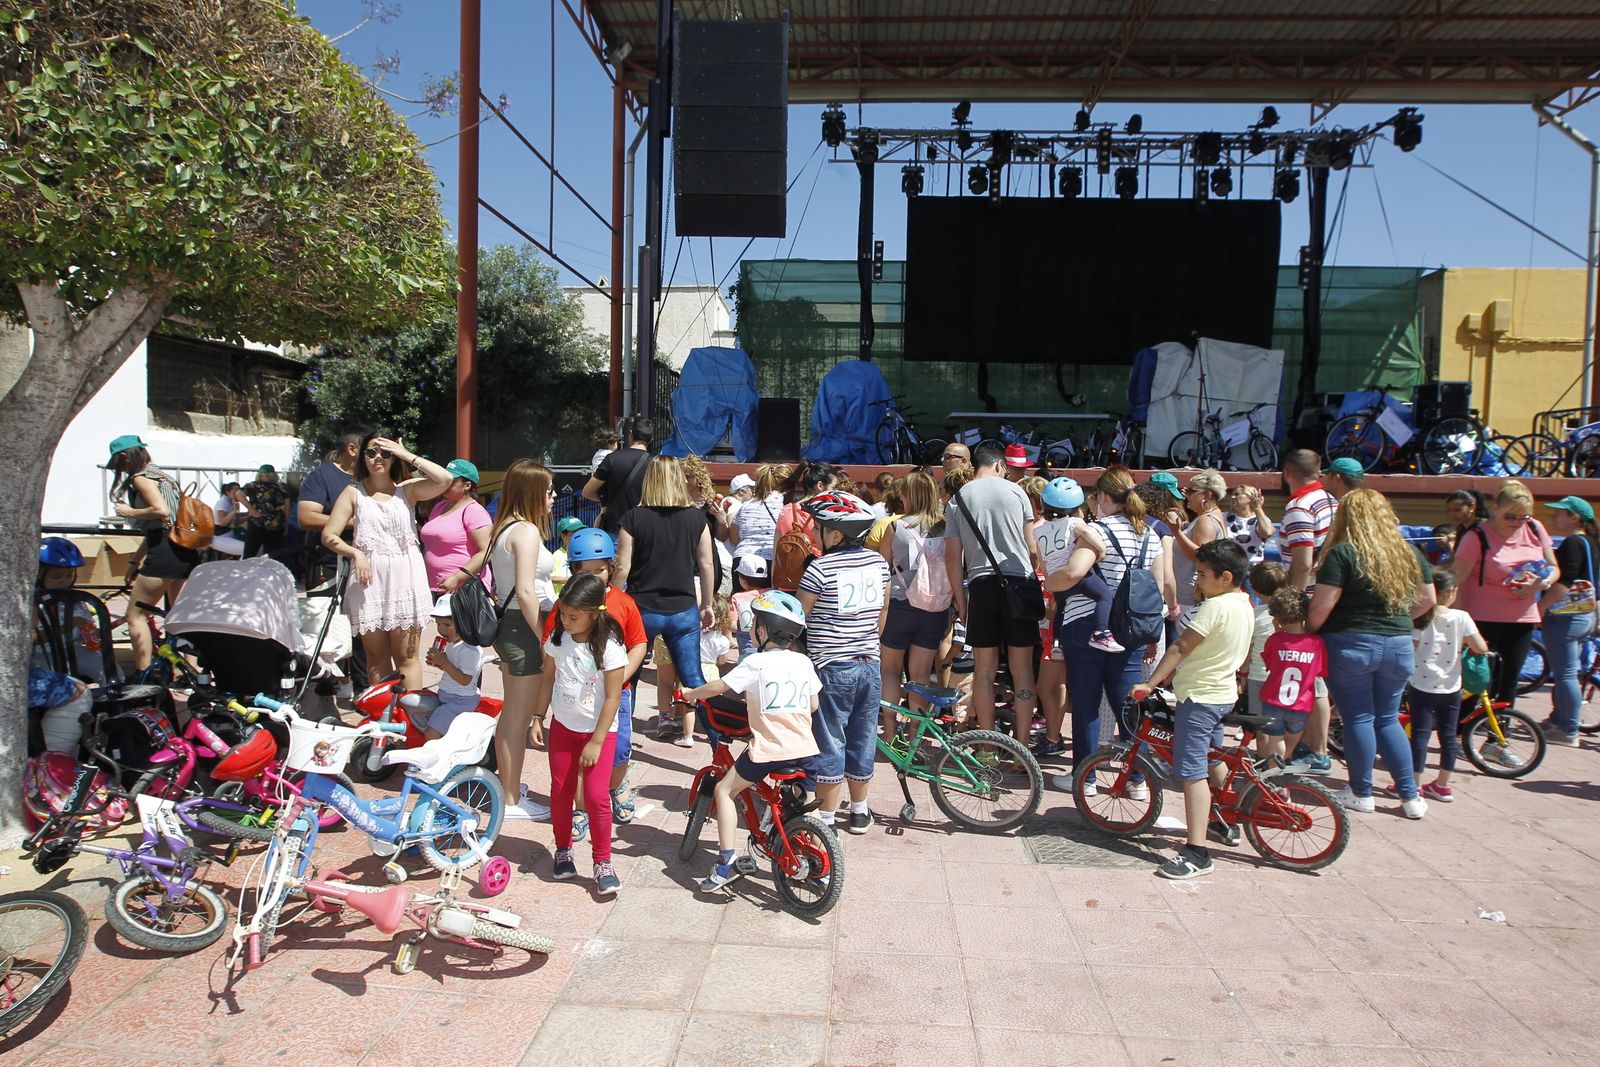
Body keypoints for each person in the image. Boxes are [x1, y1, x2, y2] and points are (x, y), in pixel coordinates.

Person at [1307, 488, 1436, 819]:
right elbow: (1428, 599)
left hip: (1350, 643)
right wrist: (1400, 618)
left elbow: (1323, 605)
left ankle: (1361, 791)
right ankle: (1411, 796)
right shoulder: (1409, 552)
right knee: (1388, 719)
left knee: (1358, 718)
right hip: (1398, 644)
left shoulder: (1342, 553)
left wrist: (1309, 630)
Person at [1130, 539, 1255, 880]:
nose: (1196, 580)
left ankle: (1197, 852)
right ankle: (1222, 819)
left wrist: (1150, 684)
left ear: (1225, 577)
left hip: (1200, 698)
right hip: (1222, 693)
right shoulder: (1244, 603)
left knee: (1192, 773)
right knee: (1212, 757)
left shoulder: (1215, 607)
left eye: (1201, 574)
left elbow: (1180, 647)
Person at [683, 591, 821, 891]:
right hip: (806, 749)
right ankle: (818, 855)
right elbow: (812, 705)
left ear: (763, 629)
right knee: (806, 802)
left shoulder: (756, 663)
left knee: (724, 790)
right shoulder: (803, 662)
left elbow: (720, 687)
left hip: (769, 750)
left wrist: (690, 693)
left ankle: (726, 863)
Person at [1048, 466, 1165, 793]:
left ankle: (1085, 778)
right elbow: (1158, 586)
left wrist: (1049, 581)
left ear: (1102, 496)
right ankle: (1137, 780)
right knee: (1127, 705)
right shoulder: (1150, 534)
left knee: (1086, 703)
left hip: (1088, 624)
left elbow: (1074, 571)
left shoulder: (1097, 529)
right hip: (1132, 627)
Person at [456, 459, 556, 821]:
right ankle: (511, 799)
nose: (553, 496)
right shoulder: (525, 531)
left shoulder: (505, 527)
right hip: (524, 626)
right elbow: (526, 592)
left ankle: (508, 789)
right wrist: (544, 638)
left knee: (512, 715)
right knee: (516, 717)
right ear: (532, 492)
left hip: (511, 625)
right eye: (548, 490)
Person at [321, 432, 452, 691]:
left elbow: (445, 479)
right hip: (369, 582)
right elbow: (329, 535)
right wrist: (356, 554)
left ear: (393, 458)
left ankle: (409, 713)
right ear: (363, 457)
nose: (378, 457)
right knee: (377, 658)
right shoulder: (353, 492)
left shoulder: (408, 490)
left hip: (405, 579)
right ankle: (383, 712)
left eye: (385, 453)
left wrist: (406, 454)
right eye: (371, 452)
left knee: (407, 659)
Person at [540, 528, 649, 828]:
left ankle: (615, 786)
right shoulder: (566, 604)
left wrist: (621, 674)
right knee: (579, 755)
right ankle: (582, 807)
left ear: (610, 568)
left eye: (599, 570)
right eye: (584, 571)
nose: (594, 577)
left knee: (620, 749)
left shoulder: (624, 603)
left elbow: (639, 643)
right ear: (573, 571)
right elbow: (550, 644)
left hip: (616, 693)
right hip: (577, 696)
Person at [797, 492, 888, 834]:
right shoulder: (878, 564)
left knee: (829, 739)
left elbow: (799, 617)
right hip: (869, 663)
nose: (813, 532)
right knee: (863, 736)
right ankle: (860, 811)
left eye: (818, 527)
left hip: (830, 666)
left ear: (835, 535)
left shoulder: (819, 568)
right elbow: (882, 613)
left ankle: (825, 818)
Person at [944, 441, 1044, 744]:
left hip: (981, 586)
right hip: (1020, 584)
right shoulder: (1017, 492)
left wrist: (960, 600)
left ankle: (987, 745)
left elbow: (953, 557)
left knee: (984, 671)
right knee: (1022, 670)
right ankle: (1022, 747)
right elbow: (1031, 549)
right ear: (1000, 465)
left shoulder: (958, 499)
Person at [615, 455, 718, 744]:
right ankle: (718, 747)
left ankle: (621, 747)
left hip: (641, 609)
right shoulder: (696, 518)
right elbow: (706, 564)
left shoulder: (633, 518)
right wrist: (707, 605)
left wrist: (613, 601)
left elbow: (622, 567)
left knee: (627, 679)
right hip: (683, 609)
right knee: (694, 680)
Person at [543, 573, 628, 897]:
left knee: (595, 797)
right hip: (563, 727)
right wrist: (537, 717)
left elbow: (613, 697)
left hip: (598, 734)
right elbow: (548, 678)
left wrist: (596, 741)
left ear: (594, 614)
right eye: (563, 614)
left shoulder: (610, 647)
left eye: (573, 616)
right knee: (560, 790)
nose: (565, 621)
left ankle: (603, 862)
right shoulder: (558, 638)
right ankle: (563, 851)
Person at [1451, 480, 1558, 711]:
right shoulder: (1476, 536)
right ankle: (1460, 727)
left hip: (1522, 617)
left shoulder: (1535, 528)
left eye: (1524, 517)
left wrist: (1542, 583)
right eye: (1511, 517)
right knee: (1478, 678)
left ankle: (1500, 729)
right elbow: (1456, 581)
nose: (1517, 523)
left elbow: (1553, 567)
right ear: (1496, 508)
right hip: (1482, 617)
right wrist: (1457, 622)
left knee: (1510, 678)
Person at [106, 434, 200, 668]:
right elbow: (160, 527)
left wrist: (129, 512)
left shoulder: (141, 478)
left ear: (124, 456)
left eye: (118, 463)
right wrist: (134, 561)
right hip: (185, 549)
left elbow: (160, 511)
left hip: (165, 552)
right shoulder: (165, 477)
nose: (119, 469)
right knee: (182, 618)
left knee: (136, 615)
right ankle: (191, 673)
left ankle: (143, 674)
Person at [1029, 477, 1107, 757]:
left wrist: (1051, 591)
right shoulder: (1075, 527)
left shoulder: (1048, 530)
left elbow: (1052, 572)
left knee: (1048, 685)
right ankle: (1054, 736)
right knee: (1055, 684)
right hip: (1061, 610)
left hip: (1060, 613)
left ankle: (1053, 738)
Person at [1278, 448, 1339, 776]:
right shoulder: (1332, 502)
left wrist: (1291, 605)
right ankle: (1315, 746)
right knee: (1313, 677)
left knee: (1310, 677)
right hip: (1330, 595)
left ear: (1287, 472)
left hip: (1311, 599)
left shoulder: (1300, 507)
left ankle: (1317, 750)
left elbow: (1302, 563)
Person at [879, 469, 953, 735]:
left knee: (890, 670)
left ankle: (890, 734)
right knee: (920, 674)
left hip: (900, 605)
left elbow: (882, 569)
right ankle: (915, 737)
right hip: (935, 607)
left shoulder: (895, 527)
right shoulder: (946, 527)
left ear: (908, 496)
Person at [1404, 570, 1487, 800]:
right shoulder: (1462, 617)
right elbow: (1481, 647)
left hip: (1421, 683)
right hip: (1451, 685)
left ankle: (1414, 785)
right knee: (1448, 736)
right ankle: (1442, 784)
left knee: (1420, 735)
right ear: (1450, 592)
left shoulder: (1421, 617)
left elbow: (1411, 646)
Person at [1540, 495, 1600, 746]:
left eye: (1559, 513)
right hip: (1584, 616)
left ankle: (1569, 730)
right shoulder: (1589, 542)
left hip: (1566, 617)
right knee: (1567, 672)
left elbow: (1565, 581)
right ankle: (1559, 719)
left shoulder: (1573, 543)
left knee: (1565, 674)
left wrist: (1541, 606)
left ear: (1574, 518)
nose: (1553, 516)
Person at [1257, 586, 1327, 764]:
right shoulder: (1316, 643)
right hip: (1301, 704)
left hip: (1273, 701)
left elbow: (1269, 664)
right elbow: (1320, 671)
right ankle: (1282, 762)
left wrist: (1277, 632)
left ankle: (1273, 769)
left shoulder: (1275, 640)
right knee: (1293, 738)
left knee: (1275, 740)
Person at [413, 595, 484, 739]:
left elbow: (465, 680)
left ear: (463, 623)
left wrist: (444, 662)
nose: (441, 629)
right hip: (449, 695)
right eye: (438, 624)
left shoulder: (469, 650)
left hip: (459, 700)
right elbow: (454, 670)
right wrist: (440, 663)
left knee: (431, 734)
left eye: (447, 625)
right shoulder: (452, 643)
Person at [1165, 468, 1228, 627]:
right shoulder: (1213, 515)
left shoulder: (1205, 520)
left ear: (1207, 495)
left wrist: (1177, 532)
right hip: (1192, 591)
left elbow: (1199, 555)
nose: (1186, 495)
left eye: (1191, 491)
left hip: (1189, 593)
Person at [420, 459, 492, 596]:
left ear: (467, 485)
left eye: (451, 480)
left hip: (462, 591)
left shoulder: (474, 511)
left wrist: (457, 578)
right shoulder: (440, 506)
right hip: (434, 587)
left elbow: (486, 552)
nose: (445, 483)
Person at [583, 415, 653, 535]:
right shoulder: (657, 463)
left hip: (615, 529)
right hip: (645, 529)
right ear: (651, 439)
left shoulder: (612, 459)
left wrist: (607, 498)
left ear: (631, 435)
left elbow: (587, 492)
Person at [1243, 562, 1289, 747]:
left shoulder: (1255, 614)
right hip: (1283, 676)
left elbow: (1248, 649)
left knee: (1260, 727)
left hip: (1258, 676)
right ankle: (1277, 760)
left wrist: (1242, 675)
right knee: (1278, 728)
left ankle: (1261, 759)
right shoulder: (1291, 615)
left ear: (1256, 590)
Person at [730, 463, 789, 563]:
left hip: (742, 559)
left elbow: (734, 538)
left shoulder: (745, 505)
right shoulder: (785, 504)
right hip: (771, 558)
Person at [243, 465, 290, 559]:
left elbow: (238, 494)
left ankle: (247, 568)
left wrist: (251, 510)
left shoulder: (253, 485)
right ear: (274, 475)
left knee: (250, 554)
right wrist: (286, 525)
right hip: (276, 525)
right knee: (272, 556)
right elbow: (287, 509)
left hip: (257, 523)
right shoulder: (281, 488)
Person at [1224, 483, 1277, 568]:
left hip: (1253, 569)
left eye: (1237, 494)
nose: (1233, 497)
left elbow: (1267, 533)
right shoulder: (1224, 517)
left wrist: (1258, 508)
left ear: (1250, 498)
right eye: (1232, 495)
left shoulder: (1259, 519)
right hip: (1230, 568)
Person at [730, 555, 771, 659]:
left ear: (742, 580)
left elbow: (732, 626)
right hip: (769, 647)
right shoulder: (771, 593)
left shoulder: (737, 598)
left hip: (747, 649)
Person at [548, 516, 587, 600]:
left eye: (580, 531)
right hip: (563, 599)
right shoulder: (557, 555)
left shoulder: (585, 552)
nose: (578, 534)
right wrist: (573, 580)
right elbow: (550, 578)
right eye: (574, 532)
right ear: (563, 535)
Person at [212, 482, 248, 557]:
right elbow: (222, 523)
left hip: (229, 533)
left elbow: (235, 522)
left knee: (254, 545)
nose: (238, 493)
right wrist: (234, 511)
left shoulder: (230, 502)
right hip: (220, 537)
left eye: (239, 490)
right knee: (247, 550)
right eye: (235, 491)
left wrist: (248, 516)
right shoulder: (222, 503)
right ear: (227, 492)